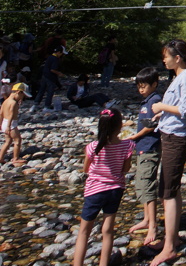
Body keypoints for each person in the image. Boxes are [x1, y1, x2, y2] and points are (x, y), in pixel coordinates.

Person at [149, 39, 186, 266]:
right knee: (171, 190)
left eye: (166, 56)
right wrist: (164, 115)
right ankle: (174, 238)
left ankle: (169, 248)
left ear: (177, 58)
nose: (164, 60)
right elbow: (180, 108)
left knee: (168, 193)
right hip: (171, 135)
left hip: (176, 140)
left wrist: (161, 107)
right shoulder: (180, 77)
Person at [71, 107, 135, 266]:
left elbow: (86, 169)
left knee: (84, 231)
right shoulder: (127, 146)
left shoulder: (92, 147)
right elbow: (126, 169)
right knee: (108, 230)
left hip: (94, 190)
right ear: (120, 126)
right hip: (115, 190)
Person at [128, 67, 162, 247]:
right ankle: (147, 219)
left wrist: (134, 136)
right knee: (142, 182)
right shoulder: (147, 101)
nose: (141, 90)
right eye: (139, 86)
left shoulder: (155, 100)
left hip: (149, 146)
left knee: (147, 184)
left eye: (144, 86)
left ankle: (153, 226)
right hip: (143, 147)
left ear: (154, 84)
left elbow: (151, 125)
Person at [0, 82, 31, 165]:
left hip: (4, 122)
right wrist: (9, 126)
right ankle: (15, 158)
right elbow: (11, 114)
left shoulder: (6, 101)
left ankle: (0, 158)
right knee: (18, 140)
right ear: (18, 92)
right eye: (22, 96)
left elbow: (0, 113)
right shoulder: (13, 103)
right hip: (11, 124)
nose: (22, 98)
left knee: (7, 141)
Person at [33, 45, 67, 112]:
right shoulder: (55, 59)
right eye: (62, 53)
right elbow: (53, 69)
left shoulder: (50, 57)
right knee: (50, 92)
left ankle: (35, 105)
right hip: (50, 77)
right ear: (59, 52)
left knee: (41, 90)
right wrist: (60, 74)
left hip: (44, 76)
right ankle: (46, 106)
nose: (62, 55)